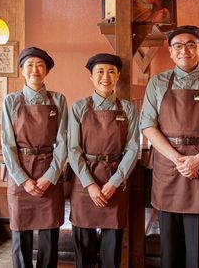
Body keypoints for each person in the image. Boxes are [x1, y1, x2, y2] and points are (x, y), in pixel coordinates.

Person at [140, 25, 199, 268]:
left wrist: (197, 160)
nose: (185, 50)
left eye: (191, 44)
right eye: (178, 46)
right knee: (168, 245)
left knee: (195, 248)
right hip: (168, 167)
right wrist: (178, 159)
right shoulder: (158, 83)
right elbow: (148, 126)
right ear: (170, 52)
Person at [68, 53, 139, 268]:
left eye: (111, 72)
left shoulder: (128, 109)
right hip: (84, 182)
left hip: (115, 182)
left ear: (118, 76)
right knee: (84, 246)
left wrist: (114, 182)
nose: (105, 77)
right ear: (91, 76)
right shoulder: (78, 107)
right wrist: (90, 185)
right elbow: (72, 149)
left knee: (112, 249)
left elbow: (133, 148)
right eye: (100, 71)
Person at [1, 47, 68, 268]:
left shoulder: (58, 100)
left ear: (47, 71)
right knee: (21, 233)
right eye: (29, 65)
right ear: (22, 70)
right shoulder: (10, 101)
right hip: (20, 172)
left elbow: (63, 142)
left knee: (50, 232)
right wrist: (24, 180)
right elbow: (7, 144)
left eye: (40, 65)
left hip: (50, 170)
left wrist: (51, 175)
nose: (35, 70)